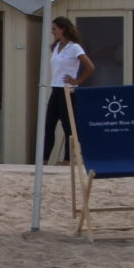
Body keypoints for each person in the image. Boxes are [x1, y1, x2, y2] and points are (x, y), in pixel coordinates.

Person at [45, 15, 92, 160]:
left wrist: (77, 80)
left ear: (63, 29)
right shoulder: (56, 46)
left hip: (67, 91)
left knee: (68, 128)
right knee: (49, 126)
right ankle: (44, 159)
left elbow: (90, 66)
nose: (52, 32)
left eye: (54, 29)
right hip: (55, 89)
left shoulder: (74, 47)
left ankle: (68, 159)